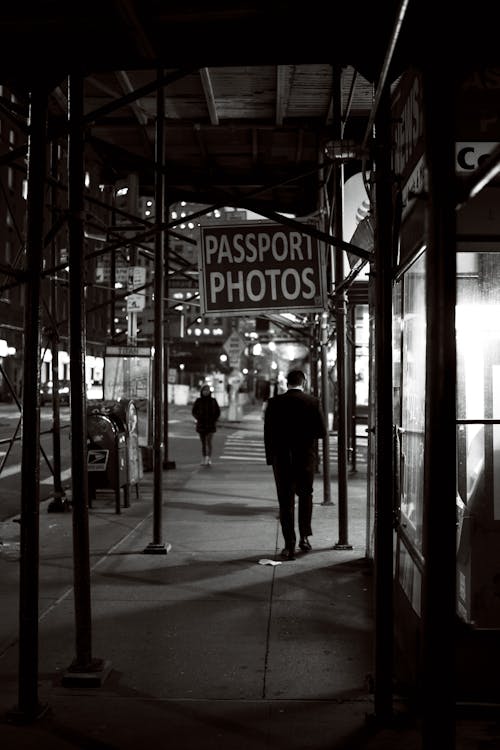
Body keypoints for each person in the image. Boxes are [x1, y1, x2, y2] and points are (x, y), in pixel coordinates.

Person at [264, 369, 327, 560]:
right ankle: (305, 537)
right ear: (304, 382)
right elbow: (322, 432)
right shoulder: (312, 402)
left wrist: (270, 459)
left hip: (282, 460)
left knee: (286, 502)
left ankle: (288, 544)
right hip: (305, 459)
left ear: (286, 383)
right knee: (306, 497)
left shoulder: (274, 403)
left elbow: (268, 434)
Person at [192, 384, 221, 466]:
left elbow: (218, 411)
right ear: (202, 391)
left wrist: (214, 419)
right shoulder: (198, 401)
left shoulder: (213, 401)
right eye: (204, 390)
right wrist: (198, 417)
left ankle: (208, 458)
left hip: (210, 424)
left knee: (209, 441)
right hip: (201, 424)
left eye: (207, 390)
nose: (206, 392)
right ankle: (204, 457)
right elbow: (194, 411)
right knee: (203, 443)